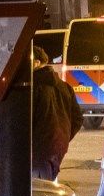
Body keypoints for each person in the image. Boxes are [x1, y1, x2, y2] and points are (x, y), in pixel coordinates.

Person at [31, 48, 83, 180]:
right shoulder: (65, 87)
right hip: (57, 148)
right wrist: (63, 137)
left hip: (37, 152)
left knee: (39, 193)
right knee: (48, 186)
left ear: (36, 63)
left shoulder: (33, 88)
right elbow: (78, 119)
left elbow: (24, 121)